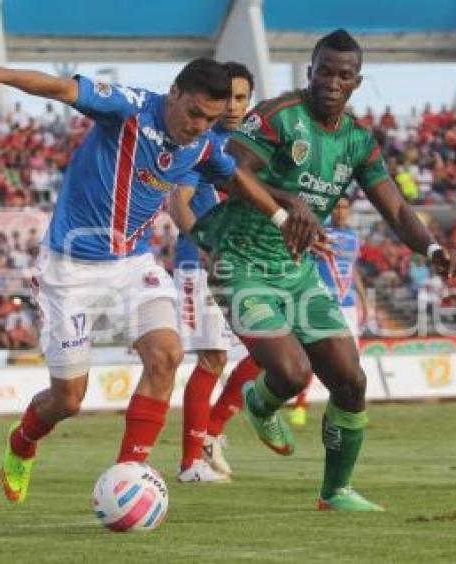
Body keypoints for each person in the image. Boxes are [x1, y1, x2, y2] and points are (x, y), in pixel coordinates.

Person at [0, 56, 318, 504]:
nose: (199, 126)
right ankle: (22, 441)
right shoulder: (129, 108)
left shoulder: (202, 147)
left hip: (133, 265)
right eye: (194, 114)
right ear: (175, 94)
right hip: (69, 269)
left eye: (209, 120)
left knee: (166, 355)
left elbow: (238, 182)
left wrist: (283, 216)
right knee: (68, 400)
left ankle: (130, 473)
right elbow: (61, 89)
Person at [190, 29, 456, 511]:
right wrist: (287, 199)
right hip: (239, 262)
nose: (333, 82)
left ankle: (335, 492)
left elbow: (396, 210)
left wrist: (432, 247)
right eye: (325, 71)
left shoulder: (357, 141)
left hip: (295, 272)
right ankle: (260, 400)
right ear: (309, 71)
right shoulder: (277, 116)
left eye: (344, 75)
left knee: (351, 381)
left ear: (356, 82)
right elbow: (229, 171)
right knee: (293, 372)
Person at [167, 62, 254, 483]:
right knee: (213, 357)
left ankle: (212, 433)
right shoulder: (201, 144)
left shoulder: (251, 145)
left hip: (241, 266)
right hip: (198, 265)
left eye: (242, 98)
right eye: (230, 98)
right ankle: (191, 463)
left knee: (275, 348)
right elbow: (177, 203)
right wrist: (204, 244)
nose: (235, 106)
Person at [289, 195, 368, 426]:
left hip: (349, 305)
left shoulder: (354, 238)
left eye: (345, 207)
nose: (341, 212)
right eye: (337, 207)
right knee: (319, 358)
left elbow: (353, 271)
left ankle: (342, 410)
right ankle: (300, 405)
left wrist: (364, 300)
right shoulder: (320, 234)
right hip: (324, 303)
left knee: (351, 363)